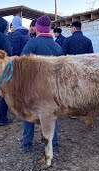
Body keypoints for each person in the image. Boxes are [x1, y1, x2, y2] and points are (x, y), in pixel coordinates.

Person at [21, 15, 62, 153]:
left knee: (28, 114)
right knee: (51, 115)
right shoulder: (57, 46)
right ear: (49, 29)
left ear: (38, 29)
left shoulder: (32, 43)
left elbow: (22, 65)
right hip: (52, 90)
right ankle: (53, 144)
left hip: (33, 88)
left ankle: (27, 143)